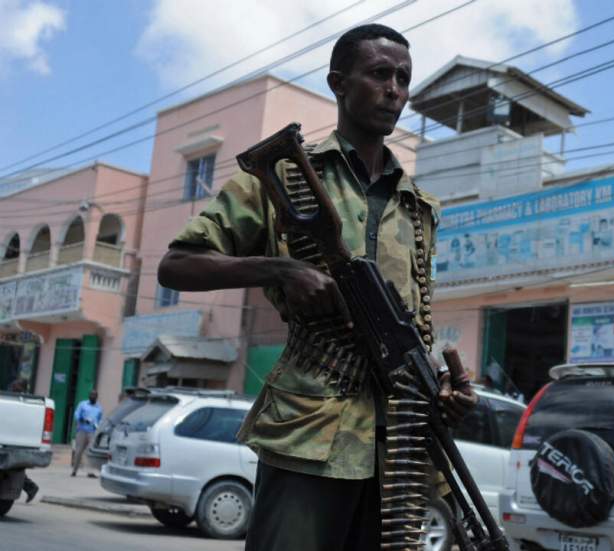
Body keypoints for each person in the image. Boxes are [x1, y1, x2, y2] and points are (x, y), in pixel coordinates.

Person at [157, 24, 477, 551]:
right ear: (338, 83)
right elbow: (178, 265)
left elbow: (413, 324)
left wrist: (443, 388)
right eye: (379, 74)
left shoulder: (420, 207)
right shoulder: (283, 177)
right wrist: (277, 271)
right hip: (310, 430)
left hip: (397, 442)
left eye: (403, 78)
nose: (394, 89)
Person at [8, 378, 39, 502]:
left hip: (18, 439)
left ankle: (31, 487)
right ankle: (30, 487)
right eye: (14, 386)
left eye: (17, 386)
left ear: (23, 388)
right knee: (13, 468)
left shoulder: (26, 402)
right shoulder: (14, 398)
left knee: (14, 467)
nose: (14, 388)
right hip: (11, 437)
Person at [71, 390, 102, 478]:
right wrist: (81, 419)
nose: (92, 396)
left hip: (92, 432)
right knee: (78, 451)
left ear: (96, 397)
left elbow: (99, 419)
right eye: (91, 395)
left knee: (90, 452)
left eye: (94, 395)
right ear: (89, 396)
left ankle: (90, 472)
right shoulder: (83, 404)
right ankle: (74, 470)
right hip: (82, 430)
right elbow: (76, 414)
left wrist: (98, 426)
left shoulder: (99, 408)